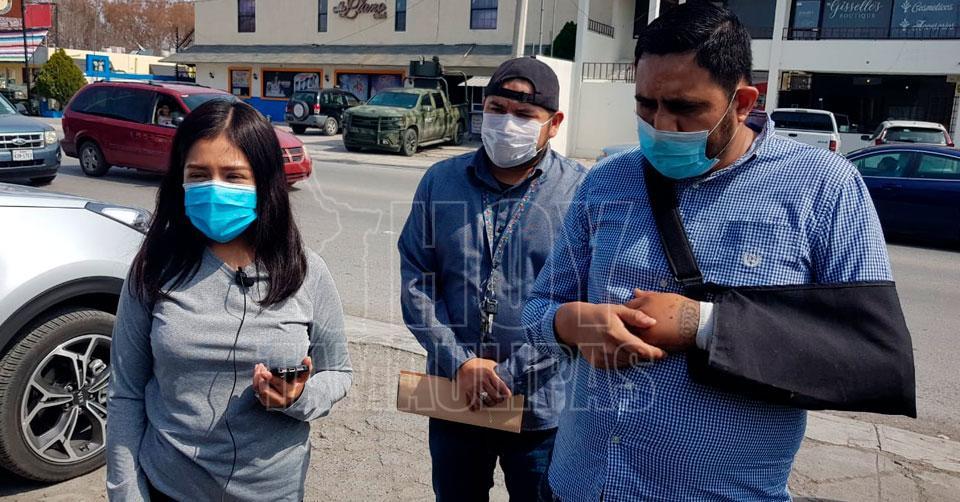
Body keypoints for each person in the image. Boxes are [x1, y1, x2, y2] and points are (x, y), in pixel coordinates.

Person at [523, 3, 911, 500]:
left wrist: (703, 325)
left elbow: (872, 357)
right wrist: (568, 323)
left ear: (743, 102)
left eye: (684, 108)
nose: (661, 125)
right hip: (579, 484)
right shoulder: (607, 182)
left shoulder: (823, 187)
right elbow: (538, 307)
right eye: (646, 105)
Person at [106, 99, 352, 501]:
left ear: (264, 182)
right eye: (199, 175)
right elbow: (125, 392)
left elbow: (338, 372)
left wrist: (298, 398)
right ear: (180, 179)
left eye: (234, 176)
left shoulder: (306, 272)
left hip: (274, 491)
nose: (214, 189)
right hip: (168, 486)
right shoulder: (154, 268)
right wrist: (125, 492)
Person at [398, 57, 587, 501]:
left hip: (541, 407)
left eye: (524, 114)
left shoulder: (580, 190)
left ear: (554, 123)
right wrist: (460, 363)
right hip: (454, 397)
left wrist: (508, 375)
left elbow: (579, 301)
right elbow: (417, 279)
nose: (507, 123)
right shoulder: (440, 181)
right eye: (497, 109)